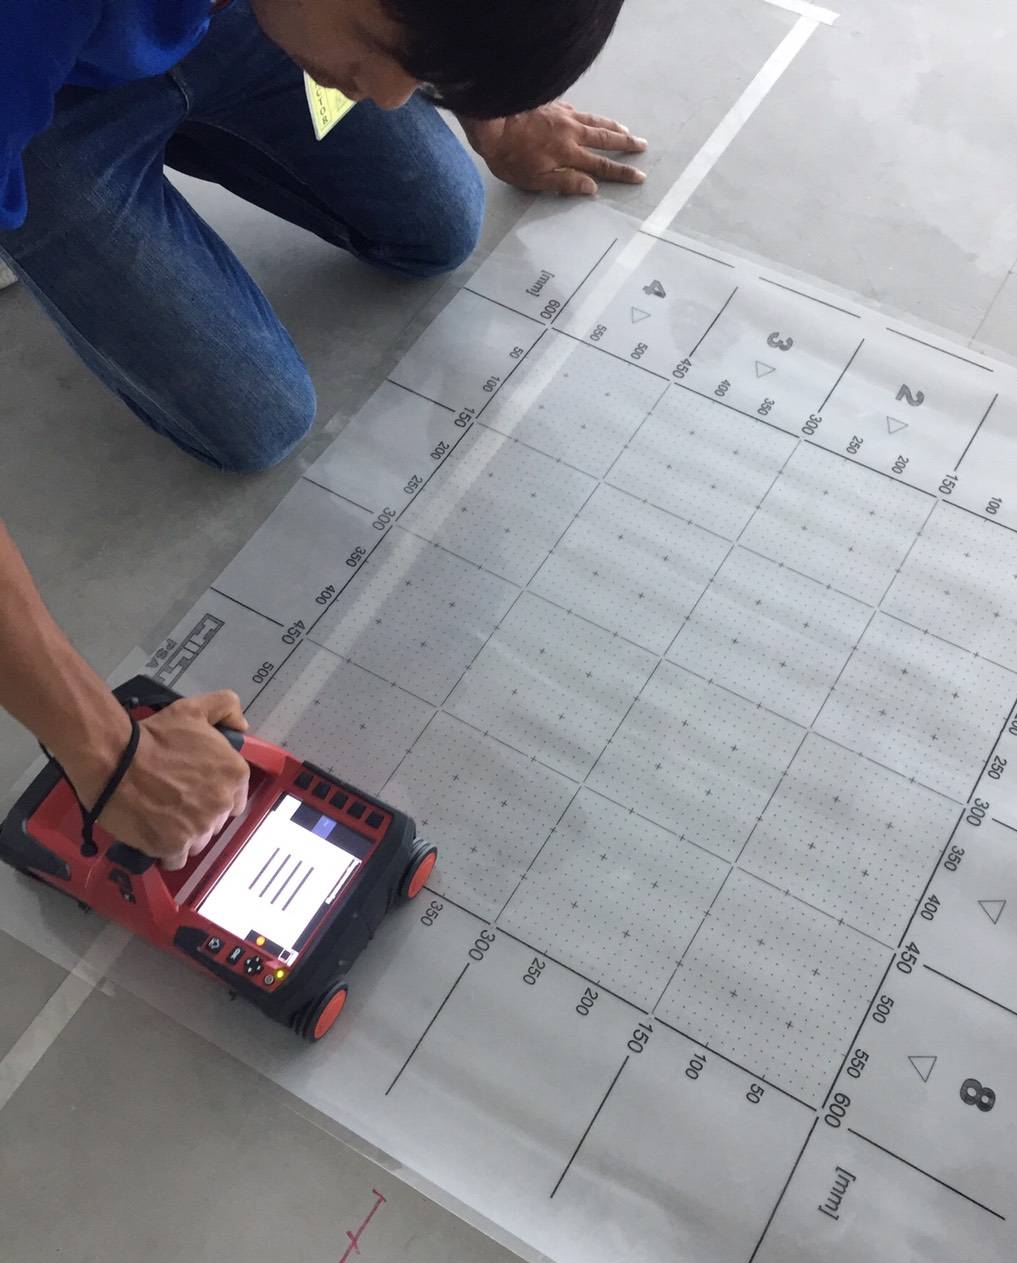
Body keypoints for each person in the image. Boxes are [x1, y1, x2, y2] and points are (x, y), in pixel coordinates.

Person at [0, 0, 646, 871]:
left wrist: (483, 81)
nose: (392, 96)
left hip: (219, 20)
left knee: (440, 222)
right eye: (384, 52)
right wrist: (104, 751)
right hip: (55, 102)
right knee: (256, 415)